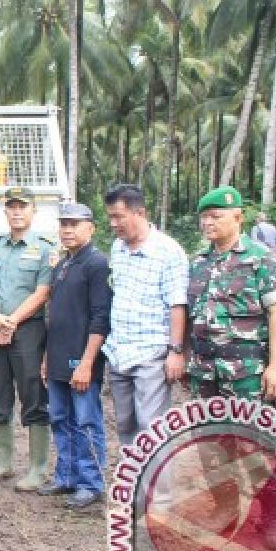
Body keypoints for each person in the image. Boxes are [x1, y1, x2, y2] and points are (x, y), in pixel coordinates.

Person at [187, 186, 276, 546]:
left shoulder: (262, 259)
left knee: (258, 446)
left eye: (215, 216)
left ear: (238, 217)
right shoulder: (199, 262)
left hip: (248, 374)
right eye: (204, 216)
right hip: (205, 373)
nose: (208, 222)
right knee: (212, 444)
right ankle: (226, 506)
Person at [0, 186, 55, 491]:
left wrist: (13, 320)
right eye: (11, 207)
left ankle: (37, 467)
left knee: (34, 397)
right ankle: (3, 462)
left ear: (34, 211)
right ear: (5, 211)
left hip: (29, 332)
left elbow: (43, 291)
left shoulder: (45, 248)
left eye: (23, 207)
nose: (17, 211)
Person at [102, 183, 188, 448]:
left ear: (140, 213)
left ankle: (157, 489)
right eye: (110, 217)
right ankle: (134, 485)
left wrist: (175, 351)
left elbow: (177, 305)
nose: (113, 223)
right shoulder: (118, 248)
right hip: (119, 351)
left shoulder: (168, 251)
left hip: (151, 353)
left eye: (119, 216)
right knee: (125, 423)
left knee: (151, 426)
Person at [39, 202, 111, 510]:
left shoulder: (97, 264)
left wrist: (87, 362)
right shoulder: (63, 265)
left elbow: (100, 318)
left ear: (91, 228)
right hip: (57, 356)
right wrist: (46, 357)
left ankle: (90, 482)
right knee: (59, 418)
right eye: (64, 224)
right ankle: (65, 475)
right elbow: (54, 314)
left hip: (82, 360)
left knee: (86, 421)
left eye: (75, 224)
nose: (67, 230)